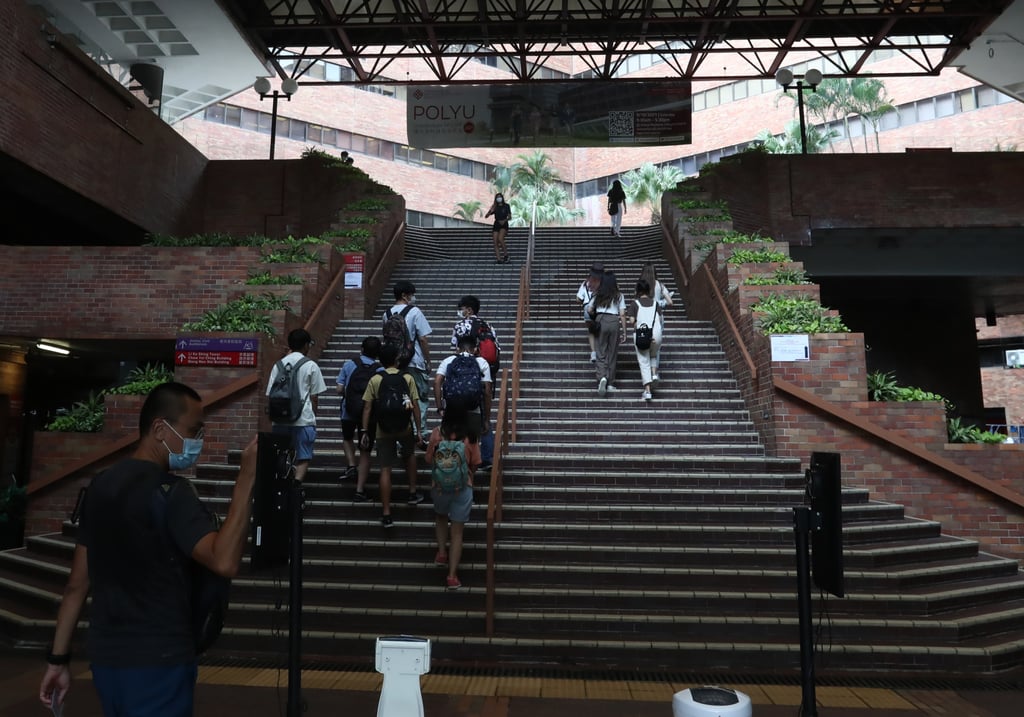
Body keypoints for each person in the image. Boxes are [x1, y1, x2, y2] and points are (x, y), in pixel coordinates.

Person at [39, 382, 258, 717]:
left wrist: (57, 660)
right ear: (160, 429)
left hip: (107, 658)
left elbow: (76, 585)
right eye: (193, 430)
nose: (197, 441)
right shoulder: (171, 492)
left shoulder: (99, 487)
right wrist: (246, 478)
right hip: (160, 658)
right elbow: (224, 561)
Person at [361, 343, 423, 527]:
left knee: (385, 468)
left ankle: (386, 512)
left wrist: (365, 431)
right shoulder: (407, 377)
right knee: (409, 455)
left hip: (383, 429)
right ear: (397, 359)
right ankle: (412, 492)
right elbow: (415, 405)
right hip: (404, 426)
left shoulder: (376, 379)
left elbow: (367, 407)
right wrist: (418, 430)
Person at [425, 414, 480, 590]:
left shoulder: (436, 433)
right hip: (463, 488)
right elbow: (476, 462)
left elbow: (428, 459)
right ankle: (452, 576)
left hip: (439, 487)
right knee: (457, 533)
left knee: (440, 516)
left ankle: (441, 553)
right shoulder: (470, 435)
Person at [265, 328, 327, 482]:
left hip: (280, 419)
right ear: (306, 345)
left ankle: (280, 483)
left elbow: (270, 394)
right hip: (303, 419)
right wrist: (313, 415)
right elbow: (314, 396)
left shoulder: (278, 365)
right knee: (304, 455)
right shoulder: (310, 365)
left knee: (281, 452)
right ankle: (296, 486)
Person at [450, 295, 500, 469]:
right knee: (484, 420)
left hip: (461, 379)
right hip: (483, 374)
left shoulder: (460, 326)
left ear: (469, 310)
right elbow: (496, 351)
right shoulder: (488, 326)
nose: (460, 311)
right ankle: (486, 458)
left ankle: (461, 455)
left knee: (460, 418)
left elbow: (455, 349)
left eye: (462, 308)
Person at [384, 280, 433, 450]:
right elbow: (423, 338)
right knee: (419, 397)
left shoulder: (387, 313)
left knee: (399, 398)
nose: (413, 297)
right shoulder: (414, 312)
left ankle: (399, 436)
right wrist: (428, 360)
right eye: (411, 294)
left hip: (394, 363)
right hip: (414, 361)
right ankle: (420, 434)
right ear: (405, 295)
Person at [335, 336, 383, 500]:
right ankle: (360, 489)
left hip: (348, 411)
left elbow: (339, 389)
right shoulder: (380, 370)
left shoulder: (350, 364)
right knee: (365, 451)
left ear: (362, 349)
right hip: (369, 416)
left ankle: (350, 465)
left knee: (347, 437)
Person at [434, 334, 492, 455]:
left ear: (457, 348)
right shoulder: (481, 362)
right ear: (475, 349)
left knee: (451, 448)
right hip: (473, 410)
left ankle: (454, 471)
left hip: (451, 411)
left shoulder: (448, 361)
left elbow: (437, 382)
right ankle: (469, 472)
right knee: (471, 448)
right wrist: (486, 419)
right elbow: (487, 391)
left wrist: (440, 407)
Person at [586, 270, 627, 396]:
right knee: (612, 352)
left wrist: (594, 314)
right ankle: (610, 383)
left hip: (601, 320)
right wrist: (624, 331)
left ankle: (602, 377)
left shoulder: (598, 294)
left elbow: (589, 309)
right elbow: (622, 314)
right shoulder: (619, 295)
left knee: (600, 351)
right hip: (614, 321)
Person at [627, 278, 663, 401]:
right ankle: (654, 374)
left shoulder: (634, 303)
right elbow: (661, 319)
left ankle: (647, 392)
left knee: (644, 361)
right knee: (653, 355)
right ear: (648, 290)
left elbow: (632, 321)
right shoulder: (655, 303)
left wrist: (639, 322)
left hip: (642, 335)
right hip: (656, 334)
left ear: (637, 290)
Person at [576, 262, 604, 363]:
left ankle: (593, 353)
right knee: (601, 330)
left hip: (587, 309)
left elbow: (578, 299)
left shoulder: (586, 283)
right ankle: (601, 351)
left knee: (591, 331)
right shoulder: (604, 283)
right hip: (601, 309)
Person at [484, 192, 512, 264]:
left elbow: (510, 216)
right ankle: (499, 259)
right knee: (495, 242)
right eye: (497, 197)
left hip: (504, 223)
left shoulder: (506, 206)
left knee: (500, 238)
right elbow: (486, 216)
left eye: (500, 197)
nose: (499, 198)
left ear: (502, 198)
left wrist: (504, 220)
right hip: (496, 223)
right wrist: (491, 210)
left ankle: (506, 255)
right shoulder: (495, 207)